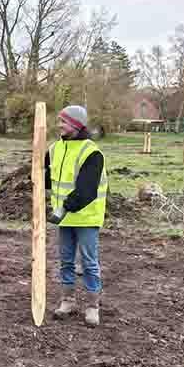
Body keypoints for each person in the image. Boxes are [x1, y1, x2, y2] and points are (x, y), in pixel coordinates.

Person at [45, 105, 108, 327]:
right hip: (63, 218)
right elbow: (46, 179)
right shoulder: (54, 149)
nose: (59, 125)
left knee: (89, 263)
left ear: (76, 125)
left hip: (86, 217)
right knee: (65, 261)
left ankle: (92, 307)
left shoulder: (91, 152)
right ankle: (67, 301)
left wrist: (63, 209)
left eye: (64, 122)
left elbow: (87, 189)